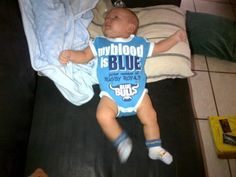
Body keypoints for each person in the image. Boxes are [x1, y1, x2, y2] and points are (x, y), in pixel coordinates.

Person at [59, 7, 187, 164]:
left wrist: (175, 38)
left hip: (138, 94)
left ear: (130, 28)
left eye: (115, 17)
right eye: (107, 18)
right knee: (102, 115)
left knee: (151, 117)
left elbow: (159, 48)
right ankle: (121, 141)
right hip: (111, 95)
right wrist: (71, 55)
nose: (108, 20)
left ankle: (154, 148)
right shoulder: (99, 43)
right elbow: (85, 56)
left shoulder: (139, 44)